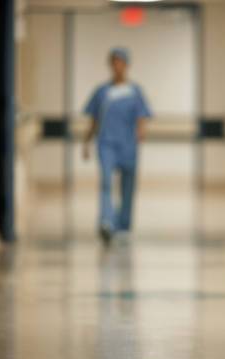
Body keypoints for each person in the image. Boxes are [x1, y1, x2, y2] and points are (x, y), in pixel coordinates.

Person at [83, 47, 152, 245]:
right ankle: (107, 222)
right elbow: (94, 120)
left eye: (121, 62)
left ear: (127, 65)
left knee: (127, 187)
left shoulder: (134, 92)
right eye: (114, 62)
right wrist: (87, 142)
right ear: (110, 65)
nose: (117, 66)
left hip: (128, 145)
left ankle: (123, 224)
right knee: (106, 182)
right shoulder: (102, 92)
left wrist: (141, 132)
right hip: (106, 144)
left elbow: (141, 116)